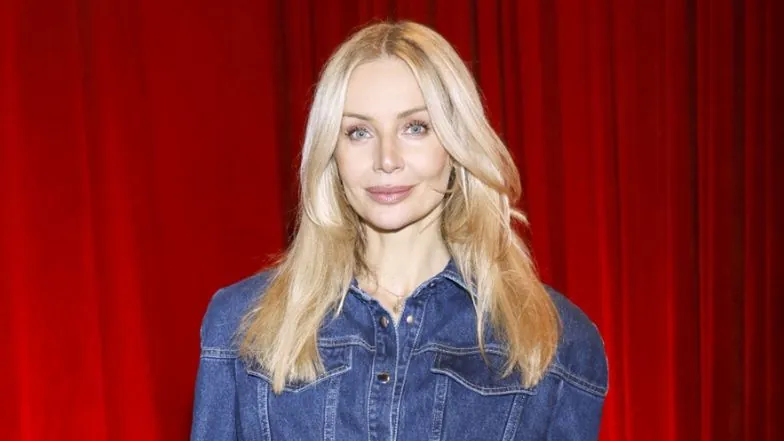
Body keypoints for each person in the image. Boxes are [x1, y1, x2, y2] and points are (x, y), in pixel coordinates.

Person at [191, 20, 608, 441]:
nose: (386, 159)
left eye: (415, 128)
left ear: (457, 142)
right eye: (358, 132)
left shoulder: (555, 340)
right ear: (331, 152)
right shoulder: (243, 325)